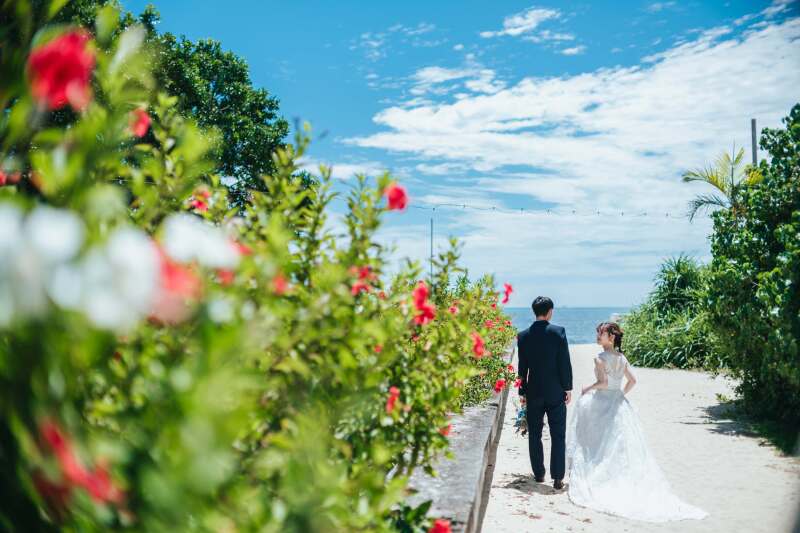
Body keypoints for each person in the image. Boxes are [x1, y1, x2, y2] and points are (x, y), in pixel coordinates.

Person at [566, 321, 707, 522]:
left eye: (601, 333)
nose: (598, 335)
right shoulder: (622, 358)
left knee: (599, 443)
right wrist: (620, 394)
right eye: (597, 332)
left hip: (601, 402)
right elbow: (633, 380)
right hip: (618, 403)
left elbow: (603, 383)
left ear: (611, 337)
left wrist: (587, 388)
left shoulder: (599, 358)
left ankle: (599, 477)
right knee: (617, 444)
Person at [517, 296, 573, 490]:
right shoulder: (558, 332)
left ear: (535, 311)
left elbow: (522, 367)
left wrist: (522, 390)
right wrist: (567, 387)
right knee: (558, 434)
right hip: (555, 390)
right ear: (550, 311)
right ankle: (557, 478)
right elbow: (564, 363)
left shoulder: (523, 336)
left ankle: (539, 474)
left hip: (533, 391)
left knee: (535, 434)